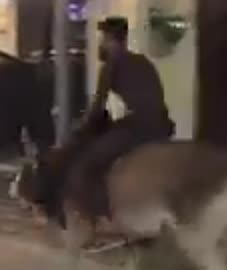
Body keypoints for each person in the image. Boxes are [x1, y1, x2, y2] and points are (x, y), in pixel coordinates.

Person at [68, 17, 175, 248]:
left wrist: (79, 129)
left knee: (87, 166)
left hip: (140, 126)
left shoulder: (112, 64)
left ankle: (102, 222)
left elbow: (97, 108)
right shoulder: (142, 61)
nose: (100, 44)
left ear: (110, 40)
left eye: (102, 39)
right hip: (161, 125)